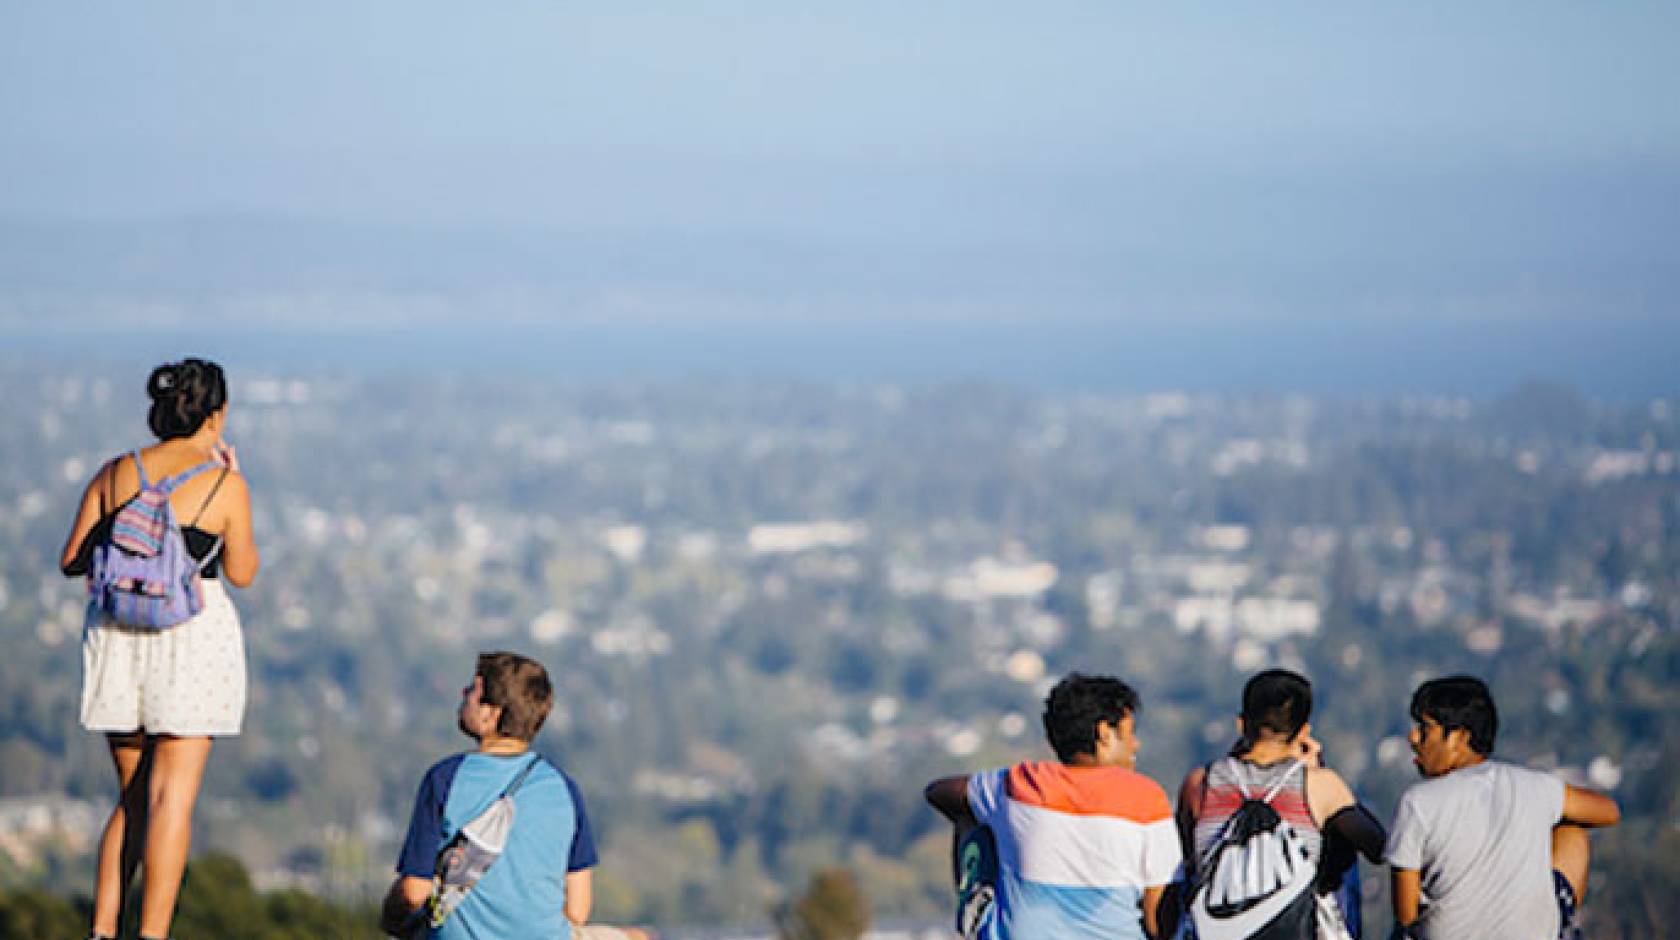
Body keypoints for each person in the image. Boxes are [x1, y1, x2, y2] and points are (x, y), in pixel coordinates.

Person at [59, 357, 259, 940]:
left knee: (134, 797)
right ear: (215, 415)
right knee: (172, 799)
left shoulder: (115, 473)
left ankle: (102, 930)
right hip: (191, 641)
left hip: (119, 640)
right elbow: (242, 571)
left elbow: (72, 559)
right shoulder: (224, 484)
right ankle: (151, 934)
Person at [381, 651, 652, 940]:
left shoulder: (445, 779)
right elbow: (577, 909)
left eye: (473, 690)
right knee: (634, 937)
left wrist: (391, 918)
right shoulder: (564, 788)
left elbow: (414, 892)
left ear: (492, 713)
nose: (464, 693)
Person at [924, 672, 1182, 939]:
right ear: (1104, 733)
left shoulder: (1019, 784)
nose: (1135, 744)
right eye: (1129, 734)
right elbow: (1158, 922)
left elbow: (939, 792)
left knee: (972, 816)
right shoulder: (1145, 798)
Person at [1386, 675, 1620, 940]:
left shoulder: (1417, 803)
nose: (1413, 738)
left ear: (1459, 738)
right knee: (1572, 828)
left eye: (1425, 729)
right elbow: (1608, 811)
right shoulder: (1536, 786)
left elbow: (1406, 914)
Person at [1174, 669, 1386, 939]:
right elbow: (1377, 845)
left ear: (1241, 724)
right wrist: (1318, 769)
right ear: (1303, 731)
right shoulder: (1320, 786)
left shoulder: (1199, 784)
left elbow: (1187, 858)